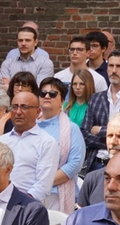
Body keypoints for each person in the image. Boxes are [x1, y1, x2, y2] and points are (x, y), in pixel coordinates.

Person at [0, 89, 60, 203]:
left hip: (27, 206)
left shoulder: (47, 142)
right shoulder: (1, 141)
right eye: (15, 107)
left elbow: (43, 185)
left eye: (24, 107)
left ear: (38, 112)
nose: (18, 112)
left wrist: (20, 205)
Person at [35, 78, 86, 211]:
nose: (47, 96)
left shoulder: (71, 128)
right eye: (43, 93)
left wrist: (43, 183)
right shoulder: (30, 126)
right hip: (28, 190)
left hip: (56, 194)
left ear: (62, 100)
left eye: (52, 94)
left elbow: (75, 163)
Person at [63, 63, 98, 133]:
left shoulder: (95, 107)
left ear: (88, 85)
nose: (77, 87)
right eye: (74, 84)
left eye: (82, 84)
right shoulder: (65, 106)